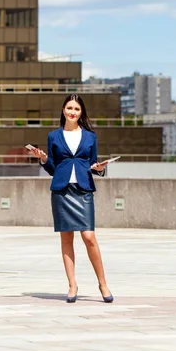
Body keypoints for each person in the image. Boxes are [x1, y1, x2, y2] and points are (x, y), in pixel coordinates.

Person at [28, 94, 113, 303]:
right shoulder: (54, 136)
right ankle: (72, 284)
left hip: (83, 190)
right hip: (62, 191)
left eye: (76, 109)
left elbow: (92, 164)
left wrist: (100, 169)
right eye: (69, 108)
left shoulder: (90, 137)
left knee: (89, 237)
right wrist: (44, 159)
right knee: (66, 238)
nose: (72, 112)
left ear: (81, 112)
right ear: (63, 110)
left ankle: (103, 283)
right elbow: (53, 168)